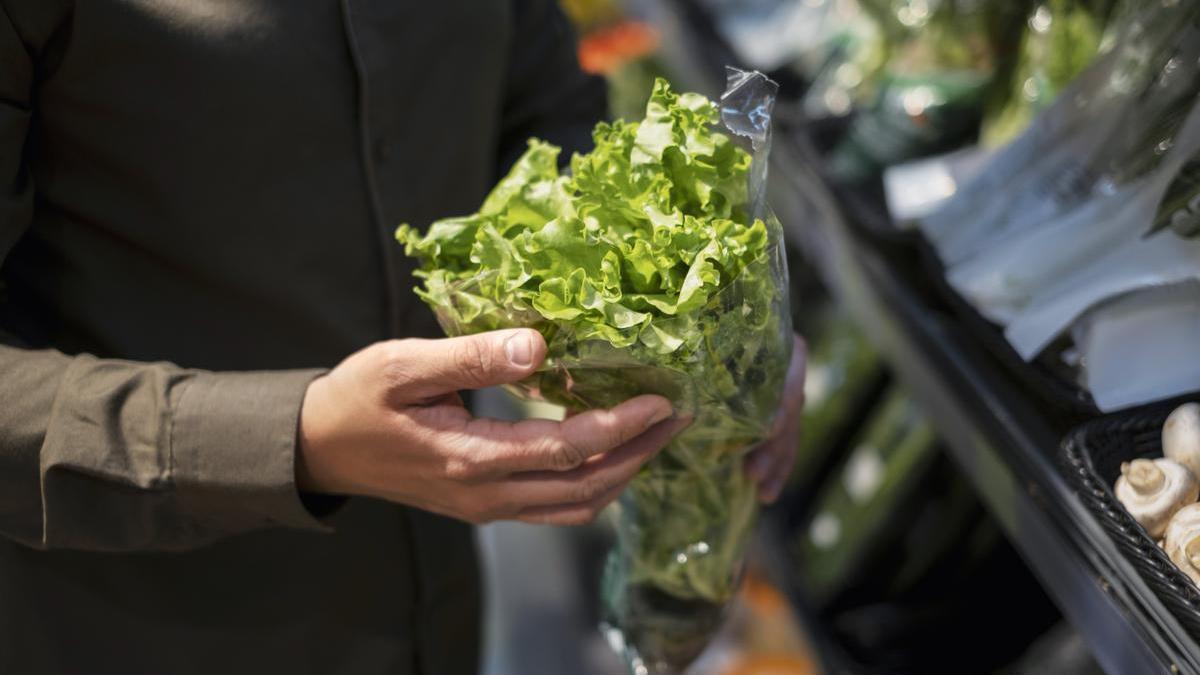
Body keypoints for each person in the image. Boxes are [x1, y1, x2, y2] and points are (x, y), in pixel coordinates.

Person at [0, 2, 805, 673]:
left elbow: (543, 114)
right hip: (139, 627)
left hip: (441, 614)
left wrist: (713, 321)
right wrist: (298, 440)